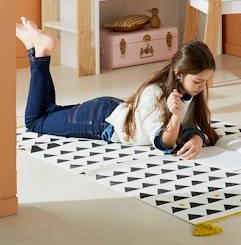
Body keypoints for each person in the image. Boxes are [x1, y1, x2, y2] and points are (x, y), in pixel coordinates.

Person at [16, 17, 218, 160]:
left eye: (205, 81)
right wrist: (175, 117)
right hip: (100, 122)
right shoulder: (154, 95)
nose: (202, 87)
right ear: (179, 73)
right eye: (198, 81)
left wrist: (196, 138)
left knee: (48, 112)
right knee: (36, 122)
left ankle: (34, 47)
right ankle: (39, 52)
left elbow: (192, 127)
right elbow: (163, 144)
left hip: (114, 110)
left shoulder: (188, 93)